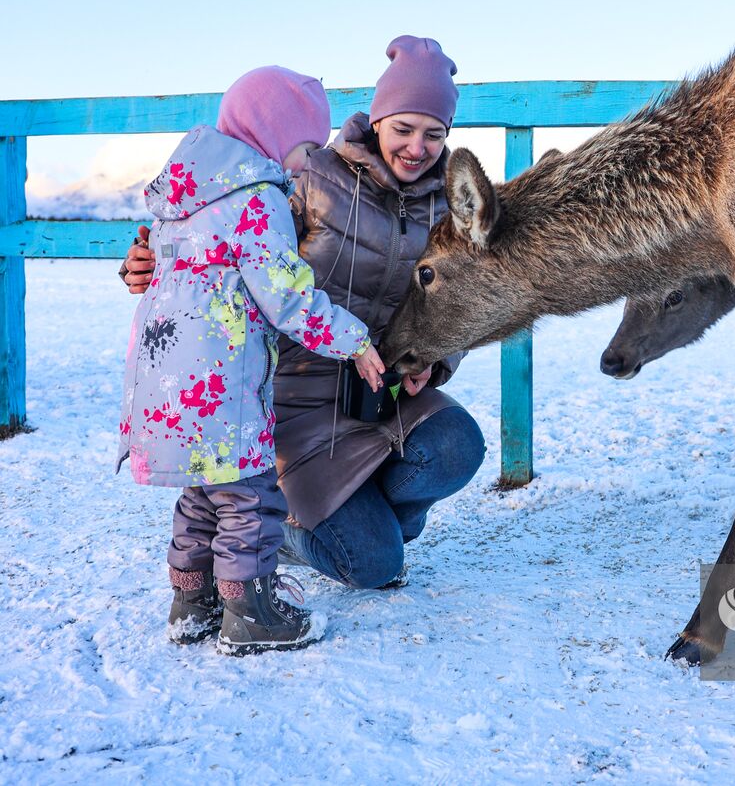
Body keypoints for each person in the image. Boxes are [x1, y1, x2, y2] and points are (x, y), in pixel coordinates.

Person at [122, 36, 485, 591]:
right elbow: (222, 241)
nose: (417, 147)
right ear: (377, 120)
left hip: (378, 399)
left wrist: (433, 362)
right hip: (293, 405)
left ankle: (364, 519)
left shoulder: (448, 208)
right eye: (403, 129)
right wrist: (154, 266)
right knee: (373, 566)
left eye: (433, 134)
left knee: (457, 444)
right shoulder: (309, 176)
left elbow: (462, 302)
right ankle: (287, 526)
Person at [118, 66, 385, 654]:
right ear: (272, 134)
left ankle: (191, 603)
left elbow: (156, 267)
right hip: (221, 380)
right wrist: (356, 341)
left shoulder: (182, 191)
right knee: (249, 495)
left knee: (201, 492)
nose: (303, 162)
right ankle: (249, 610)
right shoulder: (256, 198)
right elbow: (288, 298)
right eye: (302, 147)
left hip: (163, 376)